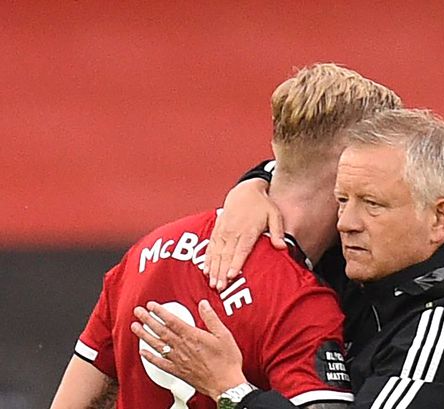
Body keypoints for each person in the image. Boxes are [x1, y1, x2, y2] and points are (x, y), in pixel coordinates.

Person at [133, 108, 444, 408]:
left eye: (372, 204)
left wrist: (232, 392)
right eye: (342, 199)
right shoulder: (380, 268)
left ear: (440, 218)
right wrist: (252, 187)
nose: (346, 222)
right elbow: (300, 172)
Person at [50, 63, 403, 409]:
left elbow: (74, 400)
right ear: (347, 164)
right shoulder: (300, 302)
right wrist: (235, 393)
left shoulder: (148, 251)